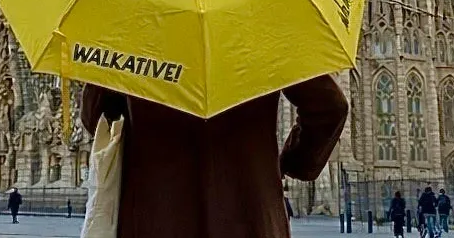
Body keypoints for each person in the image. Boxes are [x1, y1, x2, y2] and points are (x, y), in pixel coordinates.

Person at [81, 74, 348, 238]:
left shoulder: (134, 21)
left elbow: (97, 119)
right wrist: (286, 164)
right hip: (250, 216)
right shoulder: (259, 16)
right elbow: (330, 106)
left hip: (157, 217)